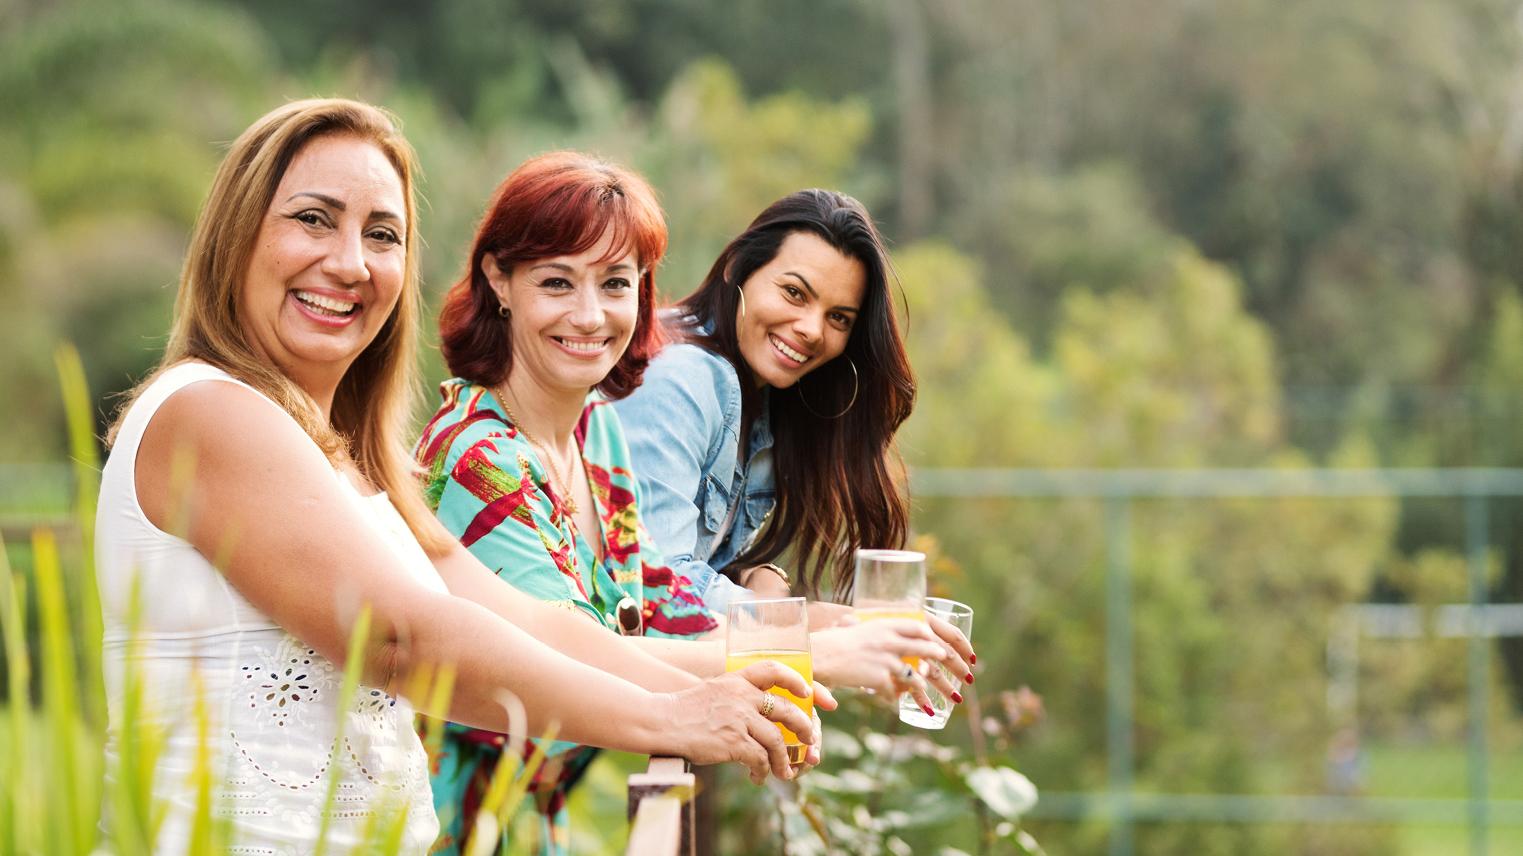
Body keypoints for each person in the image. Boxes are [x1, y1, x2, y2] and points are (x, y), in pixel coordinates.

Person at [94, 100, 820, 855]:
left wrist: (717, 694)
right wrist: (669, 721)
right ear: (235, 237)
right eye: (313, 219)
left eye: (382, 234)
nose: (350, 262)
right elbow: (403, 639)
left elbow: (534, 623)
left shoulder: (352, 462)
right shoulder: (211, 411)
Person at [417, 153, 972, 854]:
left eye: (616, 284)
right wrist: (816, 650)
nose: (590, 315)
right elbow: (571, 656)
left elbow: (657, 604)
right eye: (557, 282)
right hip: (433, 814)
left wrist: (837, 625)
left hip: (528, 815)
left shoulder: (599, 441)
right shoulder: (480, 459)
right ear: (498, 279)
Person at [612, 190, 923, 614]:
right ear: (738, 270)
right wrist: (819, 625)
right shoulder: (681, 376)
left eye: (839, 318)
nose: (813, 330)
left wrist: (749, 575)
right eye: (795, 293)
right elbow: (654, 587)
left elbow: (687, 561)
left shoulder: (768, 399)